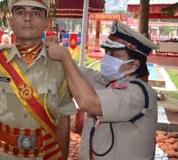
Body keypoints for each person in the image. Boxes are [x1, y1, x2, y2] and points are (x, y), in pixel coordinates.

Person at [0, 0, 76, 160]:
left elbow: (63, 120)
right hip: (2, 154)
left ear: (47, 22)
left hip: (46, 154)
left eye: (36, 13)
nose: (28, 18)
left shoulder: (60, 64)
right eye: (20, 12)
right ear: (11, 20)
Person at [44, 20, 158, 160]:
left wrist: (65, 58)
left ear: (133, 64)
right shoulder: (105, 81)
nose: (107, 59)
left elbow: (88, 102)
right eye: (107, 53)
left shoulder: (138, 93)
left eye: (114, 56)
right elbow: (74, 71)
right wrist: (58, 49)